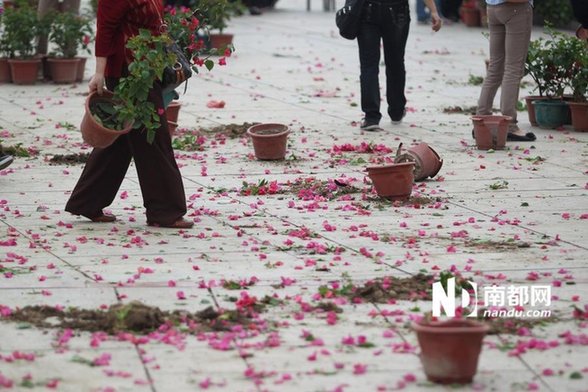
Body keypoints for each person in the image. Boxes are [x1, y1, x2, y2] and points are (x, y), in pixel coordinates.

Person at [65, 0, 193, 229]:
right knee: (152, 136)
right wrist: (99, 74)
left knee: (121, 141)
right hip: (130, 73)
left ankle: (87, 202)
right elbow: (105, 29)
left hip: (145, 68)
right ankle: (164, 212)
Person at [358, 0, 442, 130]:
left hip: (368, 10)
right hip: (397, 11)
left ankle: (371, 117)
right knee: (395, 62)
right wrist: (434, 11)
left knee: (369, 65)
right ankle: (396, 111)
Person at [476, 0, 536, 142]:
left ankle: (481, 119)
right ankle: (510, 125)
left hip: (493, 8)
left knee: (495, 67)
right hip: (516, 8)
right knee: (513, 69)